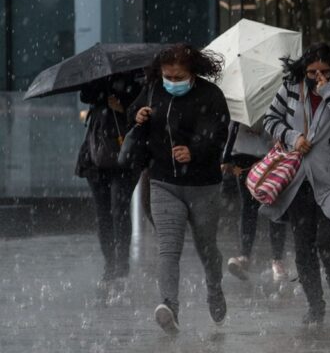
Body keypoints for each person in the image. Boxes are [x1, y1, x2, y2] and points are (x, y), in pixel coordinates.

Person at [129, 44, 230, 334]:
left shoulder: (210, 95)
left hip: (203, 185)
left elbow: (219, 133)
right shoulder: (152, 89)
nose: (172, 82)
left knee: (206, 246)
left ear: (192, 72)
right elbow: (133, 116)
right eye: (167, 76)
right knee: (168, 249)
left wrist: (195, 151)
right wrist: (138, 116)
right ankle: (169, 307)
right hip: (163, 182)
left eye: (179, 76)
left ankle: (214, 289)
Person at [262, 43, 330, 324]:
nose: (318, 77)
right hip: (297, 180)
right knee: (303, 247)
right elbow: (270, 119)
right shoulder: (290, 89)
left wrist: (329, 93)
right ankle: (315, 305)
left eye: (324, 72)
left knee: (328, 240)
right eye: (312, 72)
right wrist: (292, 137)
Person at [76, 72, 142, 286]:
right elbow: (85, 95)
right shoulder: (96, 81)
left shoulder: (134, 82)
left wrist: (122, 106)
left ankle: (121, 263)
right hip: (96, 157)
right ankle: (110, 264)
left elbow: (144, 114)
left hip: (124, 157)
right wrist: (102, 87)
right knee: (103, 212)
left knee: (119, 208)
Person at [222, 120, 289, 281]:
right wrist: (226, 157)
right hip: (245, 156)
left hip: (268, 155)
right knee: (250, 205)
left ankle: (276, 259)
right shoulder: (240, 105)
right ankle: (247, 256)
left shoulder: (275, 99)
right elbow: (233, 125)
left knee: (271, 204)